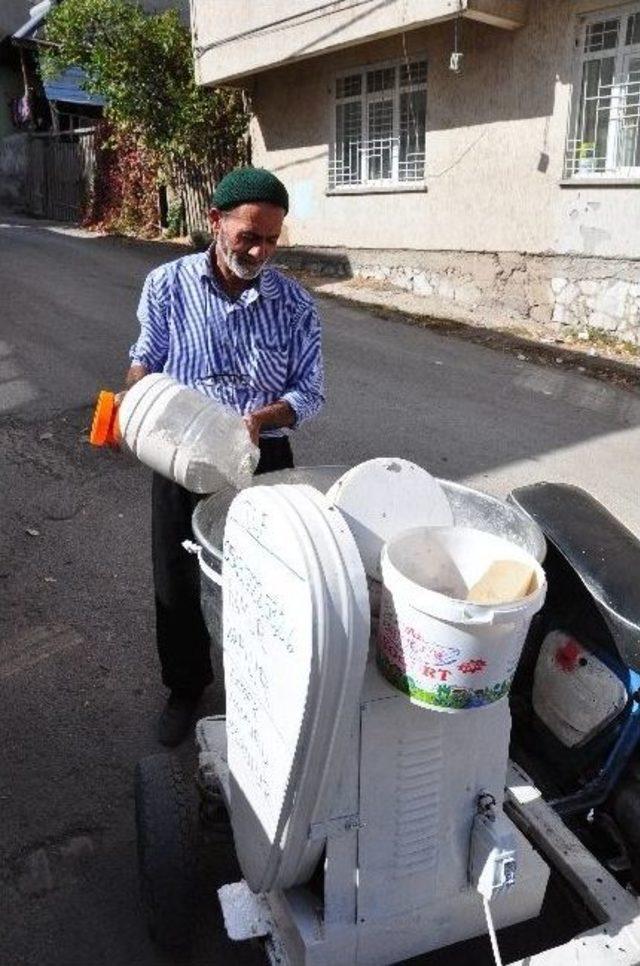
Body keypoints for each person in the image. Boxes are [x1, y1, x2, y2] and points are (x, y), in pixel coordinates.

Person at [124, 167, 325, 746]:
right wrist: (133, 396)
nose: (260, 250)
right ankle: (186, 688)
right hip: (180, 452)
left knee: (265, 577)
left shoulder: (294, 304)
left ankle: (260, 686)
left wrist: (261, 419)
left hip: (263, 459)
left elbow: (309, 392)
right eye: (248, 236)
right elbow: (147, 355)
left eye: (272, 239)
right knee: (179, 576)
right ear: (215, 221)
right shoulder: (167, 285)